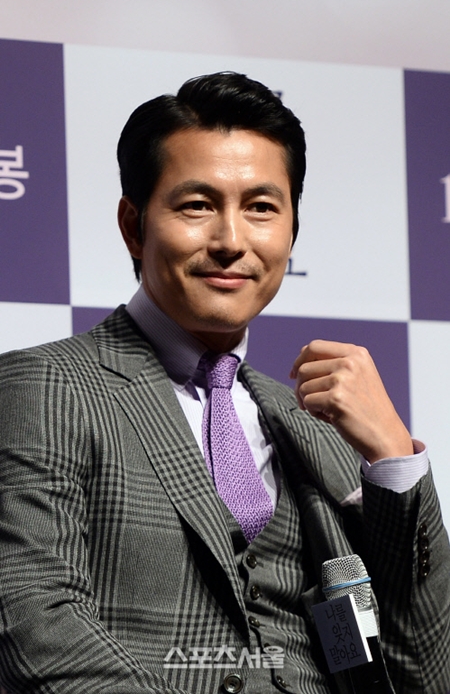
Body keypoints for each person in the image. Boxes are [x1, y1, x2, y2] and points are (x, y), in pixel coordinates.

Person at [0, 71, 448, 694]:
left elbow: (422, 672)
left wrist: (395, 461)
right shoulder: (43, 387)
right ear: (134, 225)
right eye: (197, 205)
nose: (232, 241)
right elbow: (33, 626)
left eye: (261, 208)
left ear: (291, 231)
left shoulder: (316, 430)